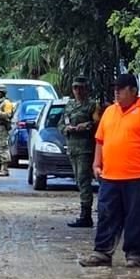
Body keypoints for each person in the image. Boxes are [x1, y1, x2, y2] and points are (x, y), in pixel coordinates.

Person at [79, 74, 140, 268]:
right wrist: (96, 164)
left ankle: (134, 254)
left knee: (137, 217)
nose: (117, 92)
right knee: (107, 213)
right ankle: (102, 252)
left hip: (139, 176)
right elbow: (100, 140)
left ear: (133, 91)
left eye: (122, 88)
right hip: (110, 175)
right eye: (116, 88)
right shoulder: (109, 112)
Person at [59, 76, 101, 228]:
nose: (78, 91)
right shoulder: (69, 106)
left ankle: (86, 215)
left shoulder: (92, 105)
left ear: (86, 89)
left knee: (84, 181)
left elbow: (98, 123)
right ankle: (85, 213)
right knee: (78, 180)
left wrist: (87, 125)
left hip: (85, 148)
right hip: (72, 147)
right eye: (75, 87)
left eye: (81, 87)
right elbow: (61, 123)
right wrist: (67, 129)